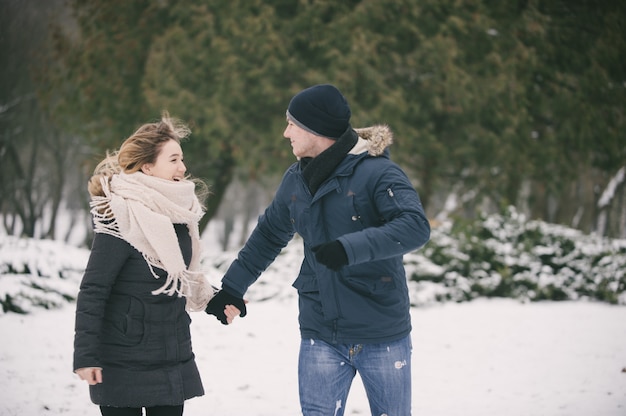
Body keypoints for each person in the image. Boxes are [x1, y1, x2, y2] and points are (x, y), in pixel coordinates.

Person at [205, 84, 431, 415]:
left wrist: (348, 248)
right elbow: (269, 234)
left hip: (381, 331)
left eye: (292, 124)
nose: (286, 133)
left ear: (317, 129)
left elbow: (414, 226)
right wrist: (232, 288)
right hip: (321, 331)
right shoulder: (296, 180)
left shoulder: (379, 173)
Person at [73, 112, 241, 416]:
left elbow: (184, 277)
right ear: (147, 166)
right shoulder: (121, 215)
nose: (183, 167)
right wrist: (85, 355)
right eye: (174, 159)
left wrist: (214, 302)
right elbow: (94, 289)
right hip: (122, 360)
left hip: (170, 354)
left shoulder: (181, 214)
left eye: (182, 159)